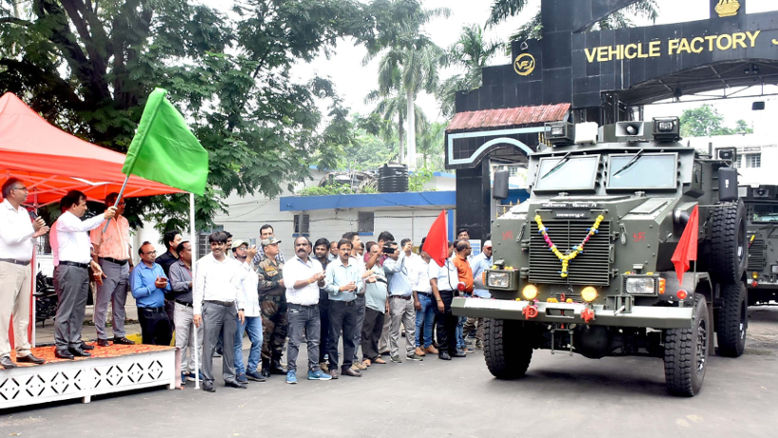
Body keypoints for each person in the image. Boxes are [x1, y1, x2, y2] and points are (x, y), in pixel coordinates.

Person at [52, 190, 116, 359]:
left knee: (79, 309)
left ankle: (74, 342)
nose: (85, 208)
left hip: (81, 268)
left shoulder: (77, 223)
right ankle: (61, 345)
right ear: (74, 205)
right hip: (69, 269)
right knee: (66, 309)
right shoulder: (65, 220)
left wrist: (91, 261)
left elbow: (80, 247)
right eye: (83, 204)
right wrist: (104, 216)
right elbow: (83, 226)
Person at [0, 178, 49, 368]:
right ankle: (3, 351)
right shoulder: (2, 211)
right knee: (4, 311)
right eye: (24, 189)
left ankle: (23, 350)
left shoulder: (23, 212)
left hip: (24, 264)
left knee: (23, 311)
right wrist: (32, 229)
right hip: (8, 265)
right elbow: (10, 238)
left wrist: (34, 234)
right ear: (12, 192)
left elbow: (23, 237)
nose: (27, 192)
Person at [193, 231, 247, 392]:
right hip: (212, 306)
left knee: (229, 344)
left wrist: (241, 308)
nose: (216, 247)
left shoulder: (233, 264)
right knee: (208, 344)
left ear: (225, 245)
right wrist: (197, 312)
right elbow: (198, 290)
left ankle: (230, 377)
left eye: (220, 244)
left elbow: (238, 288)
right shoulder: (202, 263)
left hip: (230, 307)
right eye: (213, 244)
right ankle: (207, 379)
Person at [282, 236, 331, 384]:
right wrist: (311, 279)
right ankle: (291, 371)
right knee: (294, 342)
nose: (301, 247)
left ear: (310, 248)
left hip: (314, 308)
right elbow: (291, 284)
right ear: (295, 247)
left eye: (304, 245)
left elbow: (322, 285)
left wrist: (321, 280)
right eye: (298, 245)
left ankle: (314, 370)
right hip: (297, 309)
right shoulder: (290, 265)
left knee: (314, 342)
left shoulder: (316, 264)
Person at [89, 192, 135, 347]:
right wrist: (96, 269)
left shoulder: (124, 221)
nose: (124, 206)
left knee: (119, 302)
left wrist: (131, 263)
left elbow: (127, 244)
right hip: (107, 263)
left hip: (123, 264)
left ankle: (119, 334)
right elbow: (94, 247)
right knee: (103, 302)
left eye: (124, 203)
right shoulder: (100, 222)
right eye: (120, 203)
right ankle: (101, 335)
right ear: (110, 204)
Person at [325, 238, 364, 378]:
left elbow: (360, 283)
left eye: (348, 249)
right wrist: (341, 288)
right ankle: (333, 366)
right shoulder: (332, 266)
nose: (346, 252)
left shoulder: (355, 265)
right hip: (337, 305)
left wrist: (356, 287)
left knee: (350, 337)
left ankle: (347, 366)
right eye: (343, 249)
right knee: (334, 337)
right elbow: (326, 286)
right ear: (338, 250)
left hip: (351, 304)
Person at [231, 239, 266, 384]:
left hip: (254, 310)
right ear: (234, 252)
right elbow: (237, 282)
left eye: (245, 247)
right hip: (241, 310)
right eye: (240, 248)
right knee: (238, 342)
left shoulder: (250, 267)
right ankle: (239, 371)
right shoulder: (233, 266)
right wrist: (250, 258)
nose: (244, 250)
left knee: (258, 340)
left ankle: (251, 369)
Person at [169, 240, 202, 386]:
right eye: (189, 249)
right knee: (181, 341)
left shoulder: (198, 266)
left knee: (197, 341)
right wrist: (190, 283)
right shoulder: (175, 267)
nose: (192, 252)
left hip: (197, 308)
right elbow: (175, 286)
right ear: (182, 253)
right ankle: (180, 371)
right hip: (182, 307)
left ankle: (195, 369)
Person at [384, 239, 421, 362]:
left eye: (398, 249)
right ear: (388, 252)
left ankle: (411, 351)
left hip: (408, 298)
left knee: (411, 327)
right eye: (395, 250)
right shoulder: (387, 263)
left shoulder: (402, 261)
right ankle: (394, 353)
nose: (398, 252)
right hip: (397, 299)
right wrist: (402, 254)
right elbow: (395, 269)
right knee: (395, 328)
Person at [257, 237, 288, 378]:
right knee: (266, 335)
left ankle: (276, 362)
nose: (276, 246)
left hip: (283, 302)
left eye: (277, 244)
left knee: (280, 333)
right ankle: (265, 364)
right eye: (273, 245)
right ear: (265, 248)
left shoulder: (282, 264)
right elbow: (259, 285)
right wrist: (276, 283)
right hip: (268, 303)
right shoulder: (261, 265)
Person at [131, 242, 172, 346]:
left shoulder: (158, 267)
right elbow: (136, 292)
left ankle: (163, 362)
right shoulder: (137, 271)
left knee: (166, 338)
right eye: (149, 253)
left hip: (162, 310)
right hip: (147, 312)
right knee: (150, 343)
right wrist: (154, 286)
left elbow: (168, 286)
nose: (153, 254)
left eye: (154, 252)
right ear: (142, 255)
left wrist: (164, 285)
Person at [430, 242, 463, 361]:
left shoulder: (450, 262)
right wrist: (439, 300)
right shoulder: (435, 263)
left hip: (452, 294)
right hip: (442, 294)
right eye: (450, 249)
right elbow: (433, 282)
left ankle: (452, 349)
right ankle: (443, 350)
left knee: (453, 322)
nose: (452, 251)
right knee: (443, 323)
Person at [360, 242, 388, 367]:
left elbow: (384, 286)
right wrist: (376, 255)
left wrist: (387, 302)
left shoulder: (381, 268)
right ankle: (366, 356)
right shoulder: (369, 266)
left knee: (377, 331)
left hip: (381, 305)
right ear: (370, 254)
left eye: (379, 252)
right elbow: (368, 266)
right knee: (367, 331)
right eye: (375, 251)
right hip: (370, 304)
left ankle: (374, 354)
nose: (379, 253)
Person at [411, 239, 437, 357]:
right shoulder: (417, 265)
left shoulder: (432, 264)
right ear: (422, 253)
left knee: (429, 323)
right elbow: (413, 284)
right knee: (418, 322)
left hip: (431, 296)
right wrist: (416, 299)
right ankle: (416, 345)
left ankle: (428, 344)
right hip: (421, 296)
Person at [465, 240, 492, 349]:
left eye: (491, 249)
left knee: (484, 320)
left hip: (488, 294)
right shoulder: (478, 259)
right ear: (483, 248)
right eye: (488, 249)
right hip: (477, 293)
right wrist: (471, 290)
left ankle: (479, 340)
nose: (490, 251)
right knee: (471, 319)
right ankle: (460, 337)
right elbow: (470, 275)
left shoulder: (493, 260)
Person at [156, 229, 182, 338]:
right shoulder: (161, 260)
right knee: (167, 330)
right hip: (168, 300)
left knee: (180, 330)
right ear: (171, 243)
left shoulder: (183, 259)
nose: (181, 242)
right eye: (178, 240)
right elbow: (157, 280)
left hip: (182, 299)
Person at [313, 237, 331, 372]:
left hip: (327, 303)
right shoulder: (310, 264)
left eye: (322, 249)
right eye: (317, 249)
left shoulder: (331, 265)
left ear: (328, 251)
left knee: (325, 333)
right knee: (313, 335)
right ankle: (312, 362)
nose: (319, 252)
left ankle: (321, 360)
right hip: (313, 303)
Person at [453, 239, 473, 355]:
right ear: (464, 250)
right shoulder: (456, 261)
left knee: (463, 321)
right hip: (460, 294)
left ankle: (461, 343)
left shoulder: (465, 261)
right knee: (459, 322)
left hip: (467, 294)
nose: (470, 250)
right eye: (469, 248)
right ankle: (458, 345)